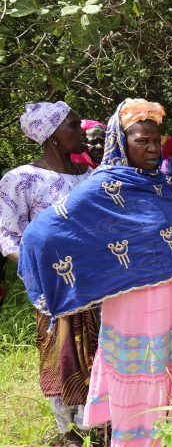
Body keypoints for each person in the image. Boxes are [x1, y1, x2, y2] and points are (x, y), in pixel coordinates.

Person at [17, 99, 172, 447]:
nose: (151, 147)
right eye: (141, 140)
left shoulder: (156, 184)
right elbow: (43, 233)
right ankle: (142, 436)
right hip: (135, 301)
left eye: (155, 140)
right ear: (120, 142)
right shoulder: (104, 185)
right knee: (145, 367)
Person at [0, 101, 97, 446]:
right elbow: (8, 234)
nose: (80, 130)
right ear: (51, 135)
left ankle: (96, 423)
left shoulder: (90, 177)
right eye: (72, 125)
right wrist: (35, 270)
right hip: (54, 288)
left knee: (96, 350)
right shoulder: (22, 179)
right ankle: (66, 431)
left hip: (97, 283)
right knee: (61, 351)